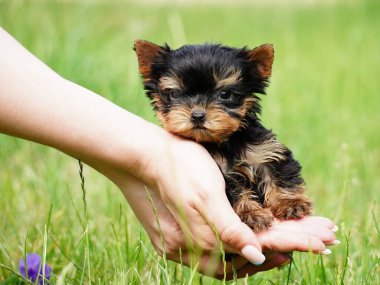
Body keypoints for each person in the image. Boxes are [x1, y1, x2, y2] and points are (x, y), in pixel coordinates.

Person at [0, 27, 338, 279]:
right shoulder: (187, 154)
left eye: (224, 97)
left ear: (258, 79)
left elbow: (282, 167)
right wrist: (243, 206)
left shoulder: (258, 143)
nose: (199, 111)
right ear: (153, 83)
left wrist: (285, 198)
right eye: (177, 97)